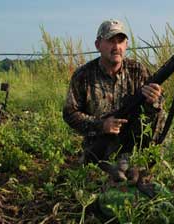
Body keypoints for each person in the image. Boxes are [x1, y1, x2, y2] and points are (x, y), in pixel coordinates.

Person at [63, 19, 165, 181]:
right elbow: (69, 113)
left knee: (160, 114)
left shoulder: (137, 70)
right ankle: (109, 168)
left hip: (132, 143)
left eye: (121, 41)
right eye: (110, 41)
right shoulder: (83, 75)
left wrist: (154, 100)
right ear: (98, 45)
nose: (116, 47)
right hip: (100, 143)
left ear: (126, 45)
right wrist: (101, 125)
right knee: (96, 177)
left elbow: (156, 108)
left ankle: (144, 161)